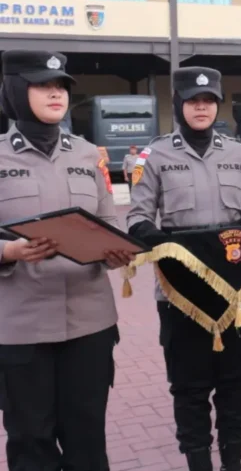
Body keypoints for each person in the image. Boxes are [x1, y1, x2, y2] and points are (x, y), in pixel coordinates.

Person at [126, 66, 241, 471]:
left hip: (235, 291)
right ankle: (199, 462)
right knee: (189, 387)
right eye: (193, 101)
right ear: (179, 104)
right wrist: (157, 240)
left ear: (217, 105)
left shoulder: (239, 154)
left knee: (235, 382)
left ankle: (233, 461)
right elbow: (138, 217)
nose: (201, 107)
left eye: (209, 101)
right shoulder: (155, 155)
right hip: (180, 293)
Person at [0, 49, 133, 471]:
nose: (56, 94)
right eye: (43, 85)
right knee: (30, 441)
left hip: (89, 323)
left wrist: (116, 252)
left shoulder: (87, 154)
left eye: (61, 87)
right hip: (20, 328)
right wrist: (7, 251)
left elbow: (109, 221)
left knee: (87, 437)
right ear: (16, 90)